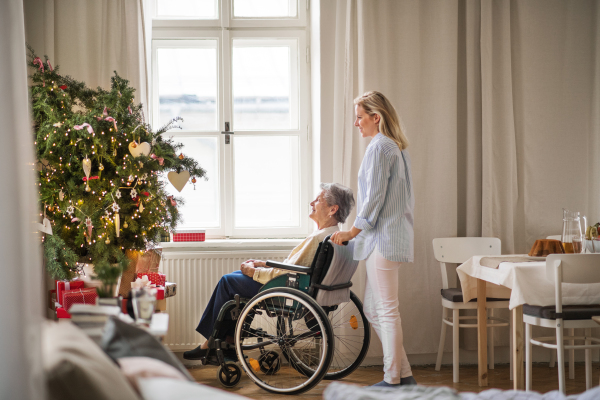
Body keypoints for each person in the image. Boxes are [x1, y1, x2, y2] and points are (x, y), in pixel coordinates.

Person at [183, 183, 355, 360]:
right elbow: (294, 266)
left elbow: (288, 272)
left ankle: (212, 343)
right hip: (298, 285)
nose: (312, 203)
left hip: (288, 290)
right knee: (235, 277)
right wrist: (262, 264)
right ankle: (227, 340)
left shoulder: (319, 238)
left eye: (318, 200)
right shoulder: (333, 236)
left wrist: (254, 272)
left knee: (227, 282)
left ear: (333, 209)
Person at [330, 91, 416, 387]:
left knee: (387, 310)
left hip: (384, 240)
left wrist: (351, 231)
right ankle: (403, 375)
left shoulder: (381, 148)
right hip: (385, 238)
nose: (356, 123)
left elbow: (374, 198)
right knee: (372, 309)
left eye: (359, 117)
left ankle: (393, 380)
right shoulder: (394, 147)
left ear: (375, 117)